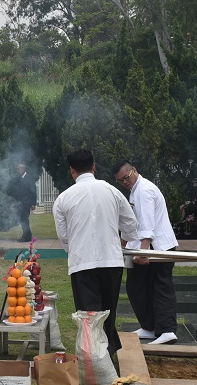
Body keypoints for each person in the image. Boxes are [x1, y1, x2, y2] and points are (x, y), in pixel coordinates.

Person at [53, 149, 139, 356]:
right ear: (94, 166)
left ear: (72, 170)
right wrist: (119, 243)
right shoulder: (112, 191)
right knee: (108, 311)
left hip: (82, 263)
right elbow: (131, 224)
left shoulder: (63, 199)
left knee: (89, 314)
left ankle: (95, 358)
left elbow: (64, 237)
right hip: (111, 261)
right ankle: (105, 355)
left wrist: (75, 250)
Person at [112, 160, 180, 345]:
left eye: (126, 177)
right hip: (147, 247)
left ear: (135, 170)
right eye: (120, 181)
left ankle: (167, 330)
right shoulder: (136, 190)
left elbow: (148, 224)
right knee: (137, 287)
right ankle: (149, 327)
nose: (125, 182)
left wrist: (144, 252)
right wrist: (123, 245)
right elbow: (132, 223)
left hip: (159, 248)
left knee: (160, 287)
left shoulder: (144, 190)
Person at [7, 163, 38, 242]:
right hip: (20, 203)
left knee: (24, 219)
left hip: (26, 203)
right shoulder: (18, 178)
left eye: (19, 169)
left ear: (23, 169)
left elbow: (33, 191)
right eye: (17, 169)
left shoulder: (29, 178)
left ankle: (26, 236)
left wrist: (33, 204)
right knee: (23, 219)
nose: (17, 170)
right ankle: (27, 235)